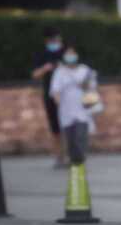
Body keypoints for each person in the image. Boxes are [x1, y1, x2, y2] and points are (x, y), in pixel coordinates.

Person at [49, 45, 97, 166]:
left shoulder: (85, 70)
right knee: (70, 138)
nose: (70, 56)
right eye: (68, 54)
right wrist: (57, 100)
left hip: (82, 109)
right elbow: (55, 90)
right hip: (66, 110)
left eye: (73, 53)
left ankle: (80, 159)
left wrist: (84, 85)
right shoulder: (60, 72)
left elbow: (92, 88)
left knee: (80, 136)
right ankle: (73, 159)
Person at [32, 27, 66, 167]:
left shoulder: (65, 52)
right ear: (47, 41)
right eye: (53, 40)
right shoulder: (42, 55)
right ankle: (59, 157)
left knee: (68, 126)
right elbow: (35, 74)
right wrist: (45, 68)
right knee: (55, 128)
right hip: (49, 95)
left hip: (65, 95)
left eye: (58, 39)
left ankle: (71, 155)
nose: (56, 42)